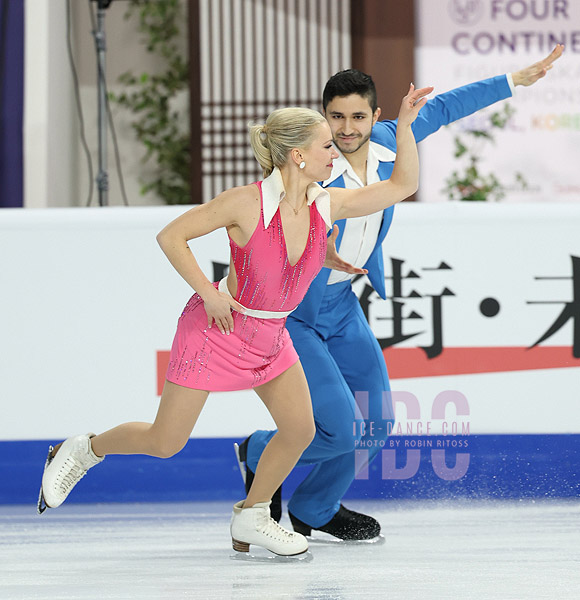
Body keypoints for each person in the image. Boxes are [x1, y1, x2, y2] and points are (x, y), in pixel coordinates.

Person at [37, 85, 433, 557]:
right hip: (216, 333)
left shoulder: (325, 204)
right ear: (296, 156)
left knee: (301, 430)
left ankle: (252, 514)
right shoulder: (244, 203)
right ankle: (83, 449)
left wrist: (406, 126)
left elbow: (400, 187)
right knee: (166, 442)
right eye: (327, 145)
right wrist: (207, 291)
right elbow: (171, 236)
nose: (337, 151)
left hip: (271, 336)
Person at [239, 45, 565, 542]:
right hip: (298, 317)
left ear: (376, 116)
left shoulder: (395, 140)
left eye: (357, 116)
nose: (346, 129)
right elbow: (276, 233)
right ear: (322, 117)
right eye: (335, 117)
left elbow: (446, 106)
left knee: (377, 423)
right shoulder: (305, 168)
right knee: (341, 429)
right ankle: (260, 452)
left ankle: (314, 506)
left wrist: (514, 79)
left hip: (344, 308)